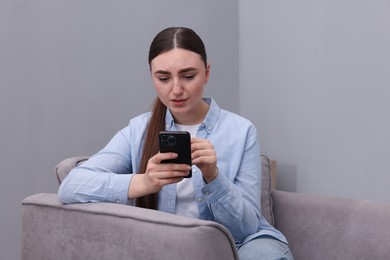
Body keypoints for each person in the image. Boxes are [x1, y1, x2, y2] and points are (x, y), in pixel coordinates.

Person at [58, 27, 293, 260]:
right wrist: (144, 181)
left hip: (238, 244)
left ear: (207, 73)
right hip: (170, 247)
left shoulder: (242, 131)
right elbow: (72, 186)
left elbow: (248, 227)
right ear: (151, 75)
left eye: (188, 76)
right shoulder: (138, 131)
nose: (176, 90)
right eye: (163, 78)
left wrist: (214, 177)